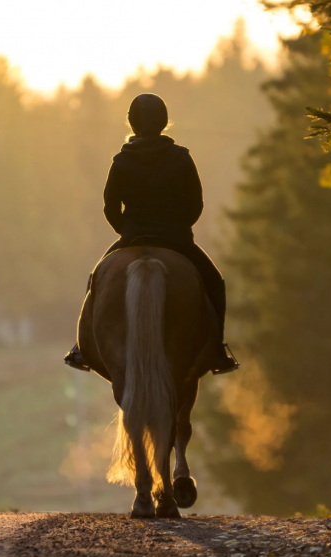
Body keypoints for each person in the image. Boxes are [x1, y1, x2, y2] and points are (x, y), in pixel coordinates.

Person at [65, 93, 239, 375]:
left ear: (132, 124)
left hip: (132, 237)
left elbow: (110, 206)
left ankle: (81, 348)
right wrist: (180, 229)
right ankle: (218, 351)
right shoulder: (182, 158)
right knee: (215, 282)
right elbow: (196, 203)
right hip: (177, 239)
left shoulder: (120, 161)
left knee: (95, 281)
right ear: (164, 122)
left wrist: (127, 232)